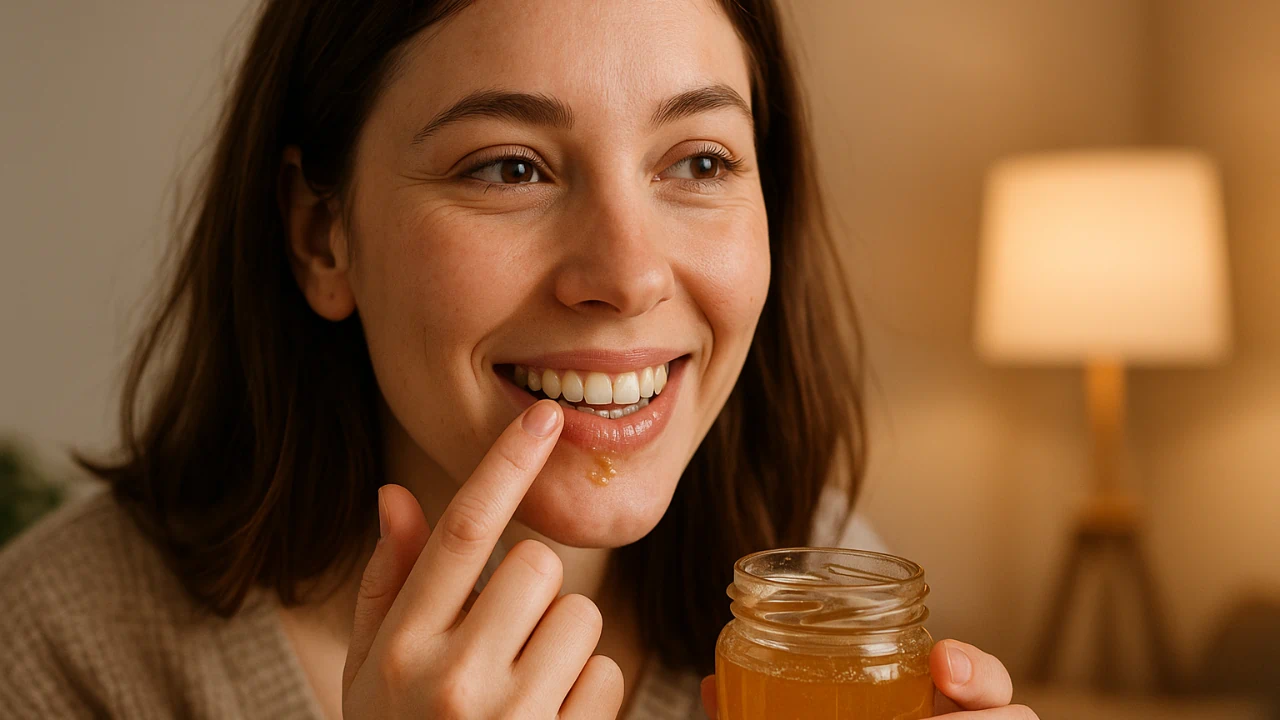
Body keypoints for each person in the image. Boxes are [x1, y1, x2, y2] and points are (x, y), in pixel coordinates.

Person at [0, 1, 1038, 718]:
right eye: (509, 168)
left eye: (699, 161)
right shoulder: (52, 654)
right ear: (322, 236)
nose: (626, 275)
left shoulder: (802, 575)